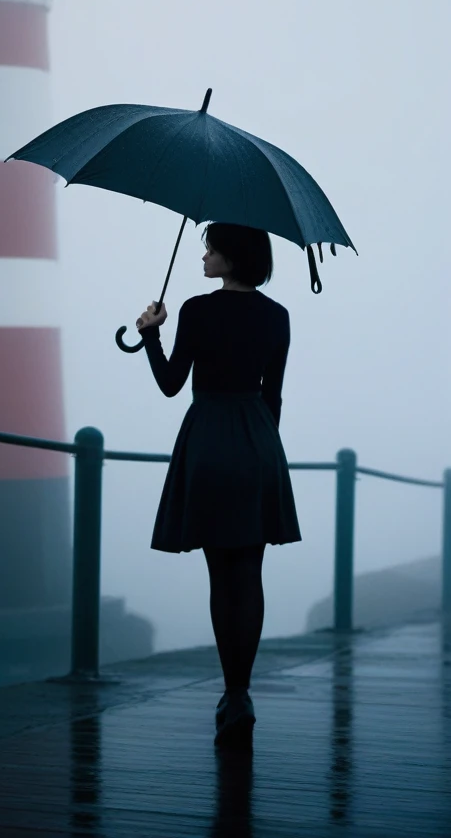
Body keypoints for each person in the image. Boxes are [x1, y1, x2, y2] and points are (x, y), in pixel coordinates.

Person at [136, 221, 301, 748]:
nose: (203, 257)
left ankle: (228, 691)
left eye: (210, 250)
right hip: (256, 444)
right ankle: (242, 693)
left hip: (206, 443)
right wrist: (257, 445)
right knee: (249, 573)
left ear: (232, 258)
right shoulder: (278, 318)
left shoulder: (196, 310)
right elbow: (272, 398)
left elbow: (168, 386)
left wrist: (149, 333)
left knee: (219, 575)